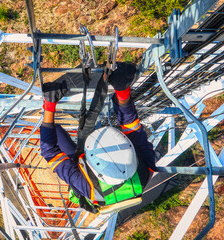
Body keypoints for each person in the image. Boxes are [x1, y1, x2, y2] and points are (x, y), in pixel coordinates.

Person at [40, 63, 156, 213]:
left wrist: (49, 106)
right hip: (103, 176)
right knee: (53, 131)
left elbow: (49, 151)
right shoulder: (145, 169)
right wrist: (123, 89)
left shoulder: (86, 186)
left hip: (88, 181)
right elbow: (131, 125)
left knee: (54, 131)